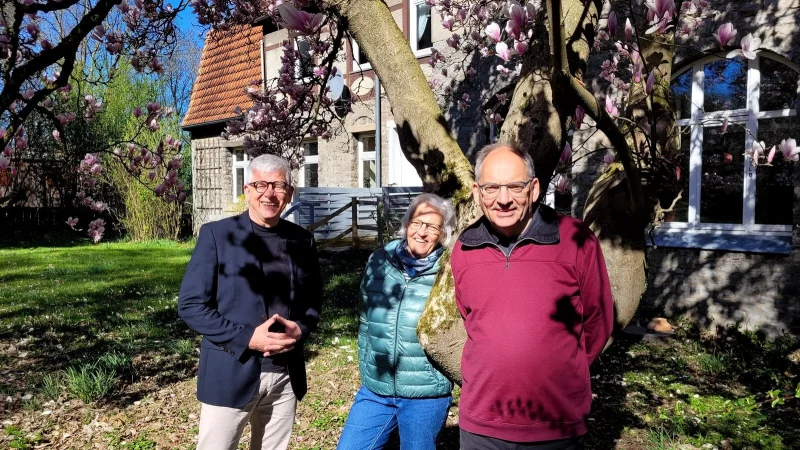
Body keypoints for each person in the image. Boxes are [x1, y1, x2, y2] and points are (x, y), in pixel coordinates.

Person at [451, 143, 614, 450]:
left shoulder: (576, 241)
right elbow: (471, 319)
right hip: (482, 427)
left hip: (556, 425)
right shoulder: (463, 249)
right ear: (476, 192)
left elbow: (598, 322)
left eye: (515, 186)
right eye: (491, 187)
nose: (503, 199)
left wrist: (560, 368)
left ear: (535, 188)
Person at [178, 154, 322, 450]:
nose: (269, 193)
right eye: (260, 185)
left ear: (290, 194)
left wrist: (301, 328)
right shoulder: (217, 235)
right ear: (247, 190)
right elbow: (191, 305)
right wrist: (248, 338)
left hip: (284, 374)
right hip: (230, 372)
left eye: (279, 186)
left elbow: (312, 302)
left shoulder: (302, 241)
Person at [336, 193, 457, 450]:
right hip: (376, 390)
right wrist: (366, 368)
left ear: (443, 234)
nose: (422, 232)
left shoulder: (450, 271)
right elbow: (365, 319)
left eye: (432, 227)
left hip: (425, 394)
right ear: (406, 224)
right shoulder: (379, 260)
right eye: (417, 223)